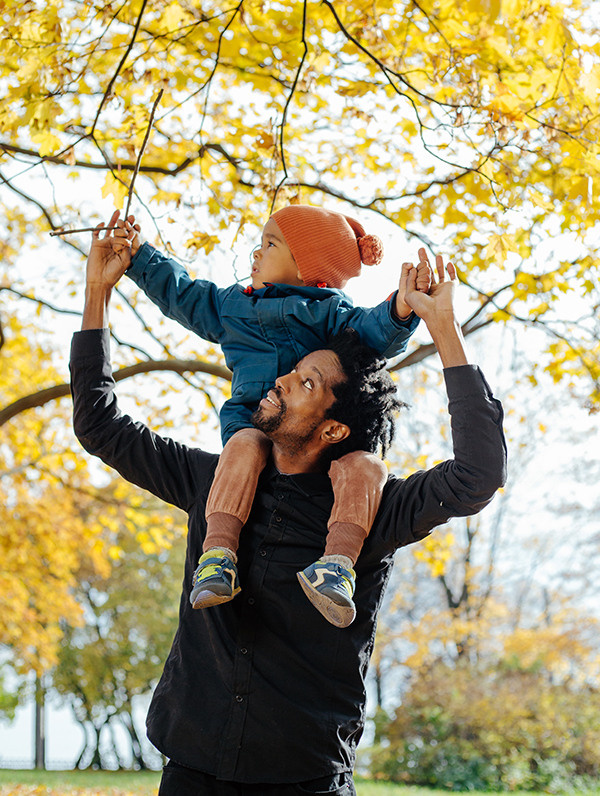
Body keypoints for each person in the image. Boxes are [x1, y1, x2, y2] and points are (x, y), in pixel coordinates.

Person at [71, 219, 506, 795]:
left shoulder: (371, 508)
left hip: (305, 778)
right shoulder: (214, 479)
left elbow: (478, 475)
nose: (279, 379)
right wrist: (99, 293)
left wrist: (442, 327)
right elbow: (100, 425)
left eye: (305, 381)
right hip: (193, 769)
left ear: (332, 427)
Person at [112, 205, 432, 627]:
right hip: (254, 421)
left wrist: (401, 311)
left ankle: (336, 566)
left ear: (307, 268)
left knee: (367, 465)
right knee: (244, 446)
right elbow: (183, 294)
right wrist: (139, 255)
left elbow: (375, 330)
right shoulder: (232, 306)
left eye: (270, 244)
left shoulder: (331, 314)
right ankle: (218, 556)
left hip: (314, 440)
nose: (255, 254)